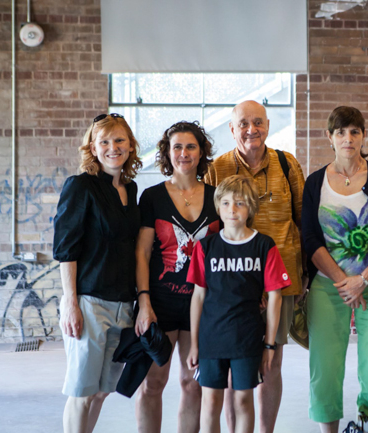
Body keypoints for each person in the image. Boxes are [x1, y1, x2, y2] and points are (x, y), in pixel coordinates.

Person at [204, 100, 305, 433]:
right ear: (232, 129)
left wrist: (305, 273)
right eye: (243, 123)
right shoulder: (217, 169)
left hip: (281, 282)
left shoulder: (287, 164)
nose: (252, 130)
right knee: (236, 367)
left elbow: (304, 221)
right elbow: (212, 230)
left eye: (258, 122)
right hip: (234, 289)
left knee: (271, 360)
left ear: (268, 125)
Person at [302, 106, 368, 433]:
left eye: (354, 131)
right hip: (328, 286)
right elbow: (310, 238)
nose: (348, 138)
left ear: (363, 136)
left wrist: (364, 278)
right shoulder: (315, 182)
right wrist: (344, 281)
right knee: (325, 367)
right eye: (341, 132)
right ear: (329, 137)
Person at [53, 113, 142, 433]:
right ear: (92, 147)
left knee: (103, 391)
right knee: (82, 392)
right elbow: (66, 249)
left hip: (123, 304)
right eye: (104, 141)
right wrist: (71, 302)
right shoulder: (81, 186)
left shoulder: (130, 191)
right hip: (90, 302)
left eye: (119, 140)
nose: (112, 147)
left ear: (131, 146)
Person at [134, 121, 220, 433]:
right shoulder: (152, 197)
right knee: (153, 382)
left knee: (192, 382)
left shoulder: (217, 197)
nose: (184, 153)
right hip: (160, 301)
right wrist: (144, 302)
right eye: (177, 147)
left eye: (191, 146)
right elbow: (142, 254)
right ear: (167, 153)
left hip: (202, 303)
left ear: (201, 152)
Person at [186, 175, 290, 433]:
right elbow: (198, 296)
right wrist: (195, 344)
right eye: (226, 203)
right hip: (212, 339)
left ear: (251, 208)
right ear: (218, 207)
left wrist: (269, 344)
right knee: (211, 402)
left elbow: (275, 297)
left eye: (240, 203)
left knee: (243, 400)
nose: (232, 209)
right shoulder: (205, 247)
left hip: (247, 339)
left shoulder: (264, 245)